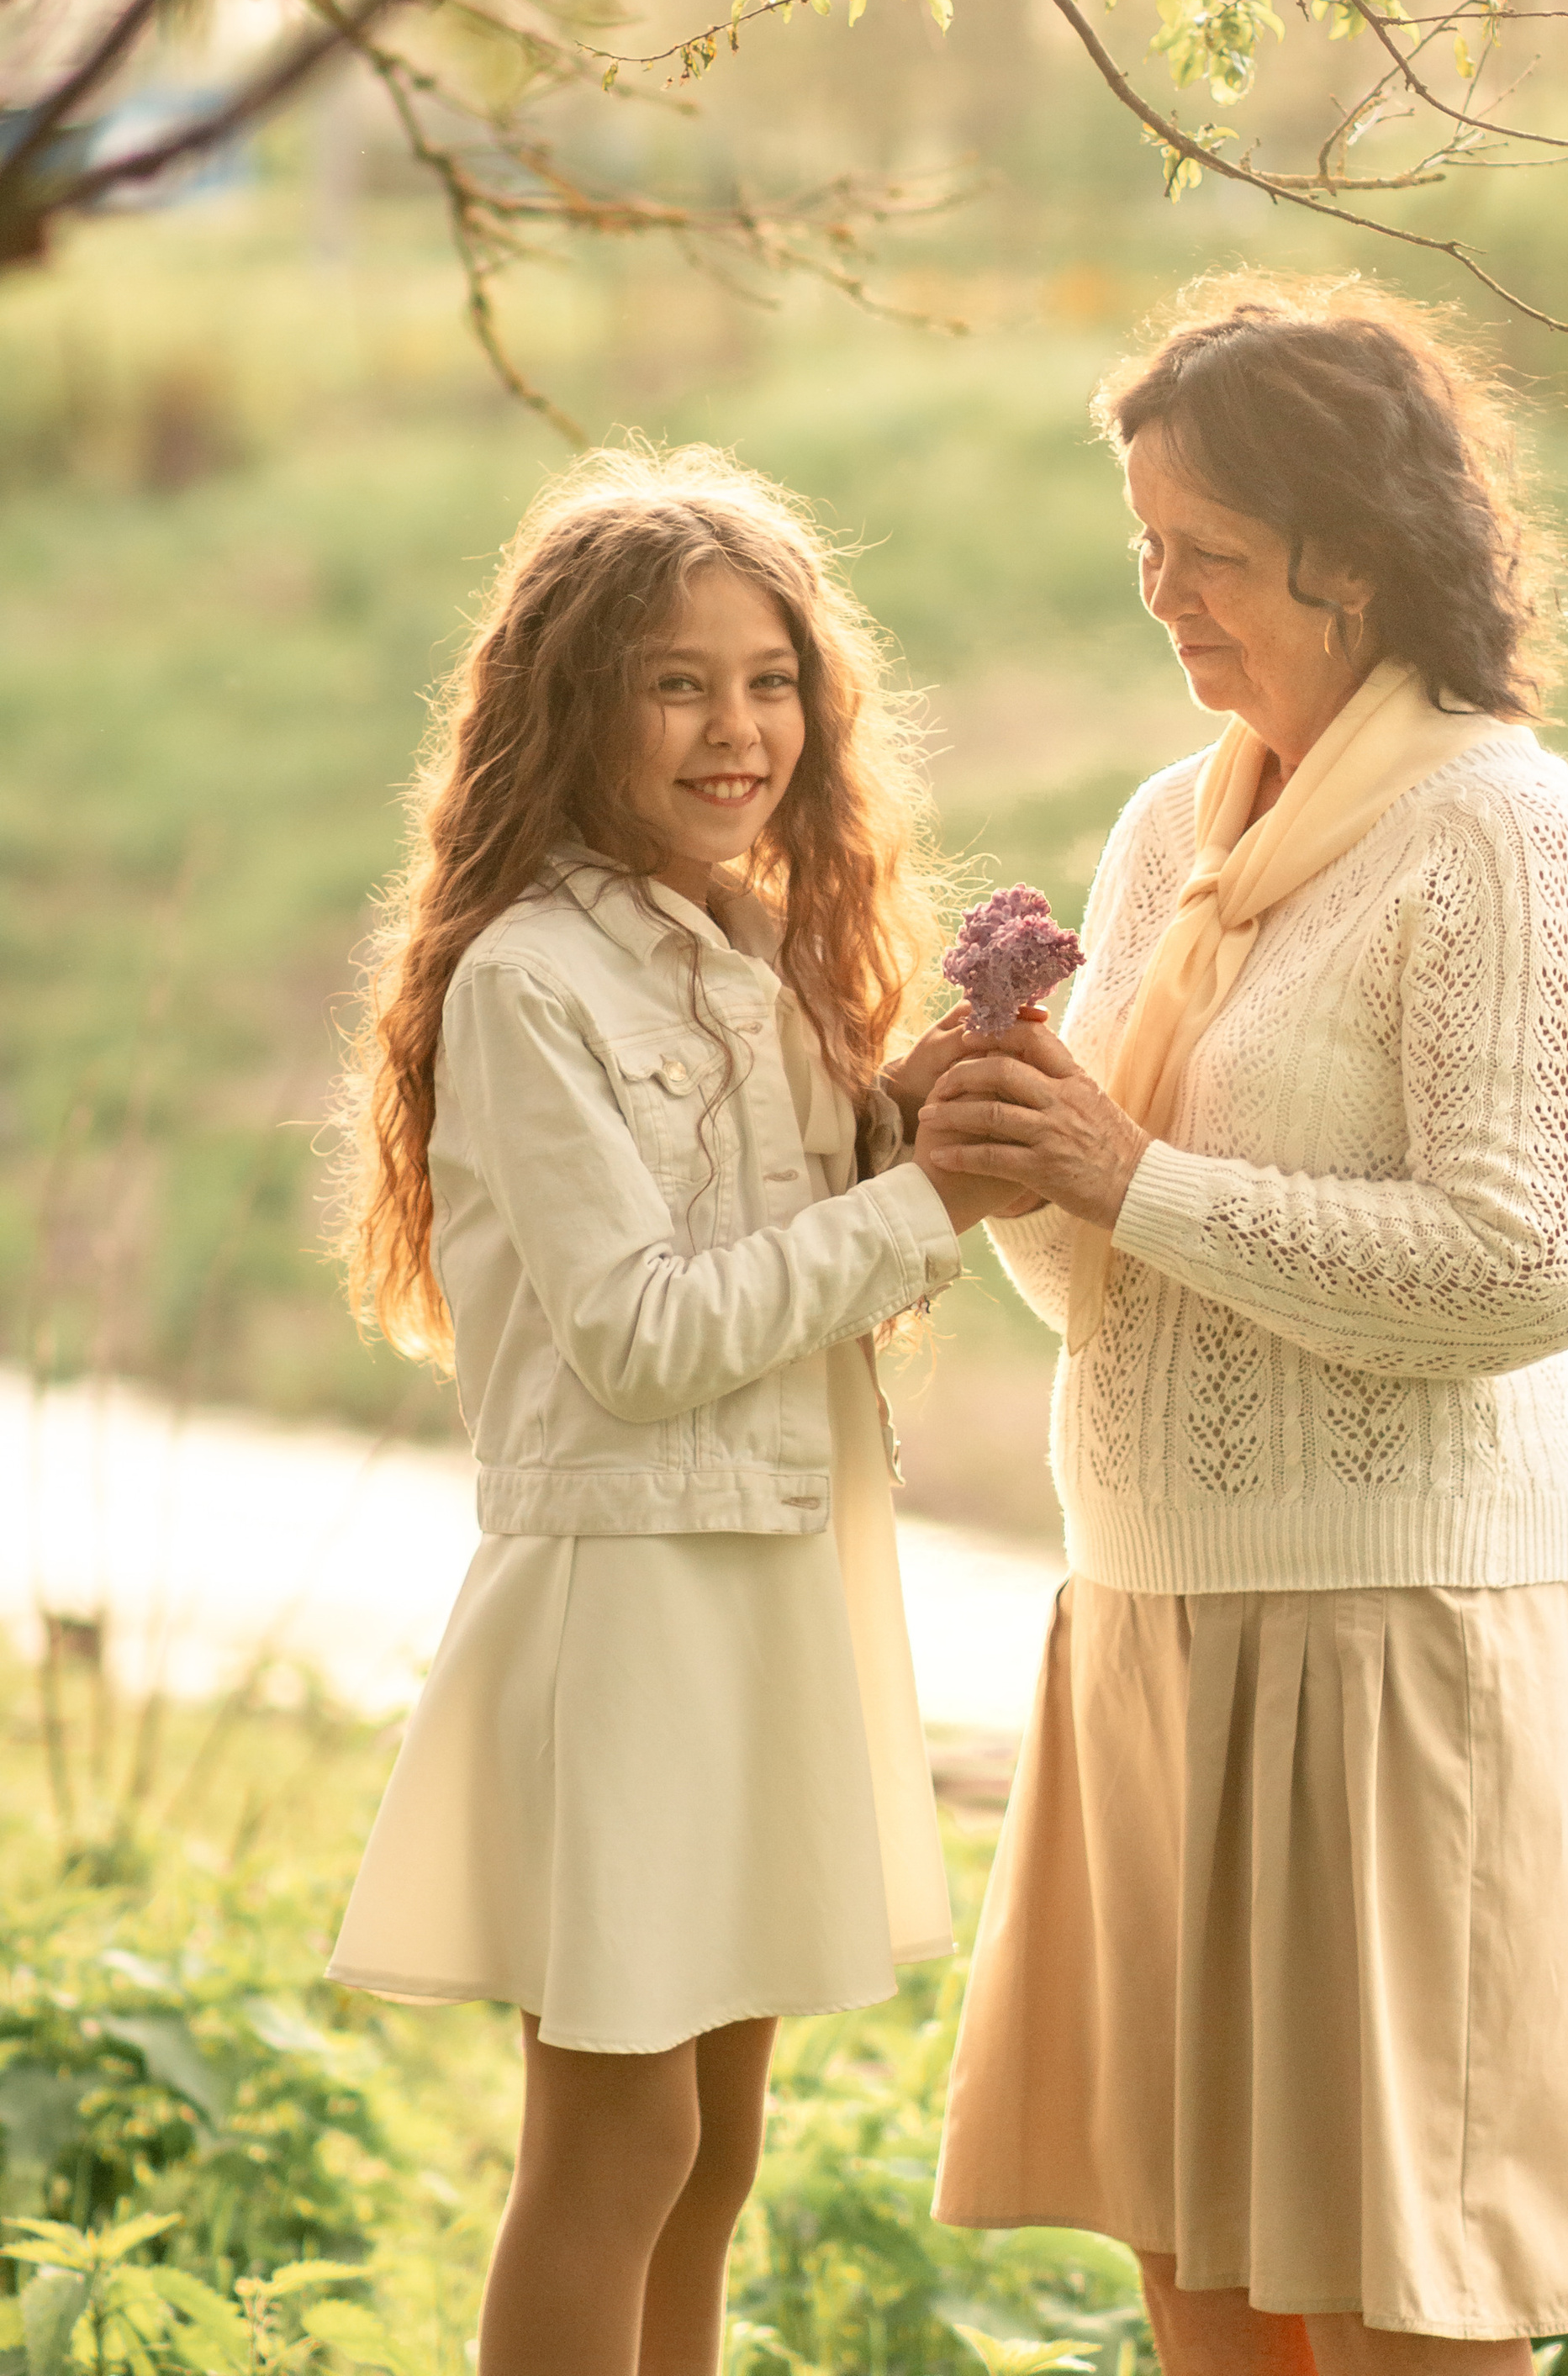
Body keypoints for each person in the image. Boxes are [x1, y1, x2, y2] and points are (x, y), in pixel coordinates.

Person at [921, 277, 1568, 2376]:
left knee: (1414, 2323)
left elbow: (1530, 1266)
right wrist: (1012, 1165)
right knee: (1207, 2312)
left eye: (1209, 555)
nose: (1164, 596)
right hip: (1160, 1630)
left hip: (1390, 1646)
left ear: (1350, 550)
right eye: (1142, 546)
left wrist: (1128, 1176)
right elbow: (1108, 1283)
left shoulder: (1495, 830)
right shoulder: (1171, 827)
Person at [327, 446, 995, 2376]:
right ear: (572, 704)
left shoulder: (747, 953)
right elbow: (633, 1333)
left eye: (770, 678)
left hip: (767, 1582)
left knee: (715, 2151)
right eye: (676, 682)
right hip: (631, 1607)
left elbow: (773, 1237)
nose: (737, 727)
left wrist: (904, 1111)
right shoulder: (532, 982)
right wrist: (915, 1202)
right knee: (616, 2144)